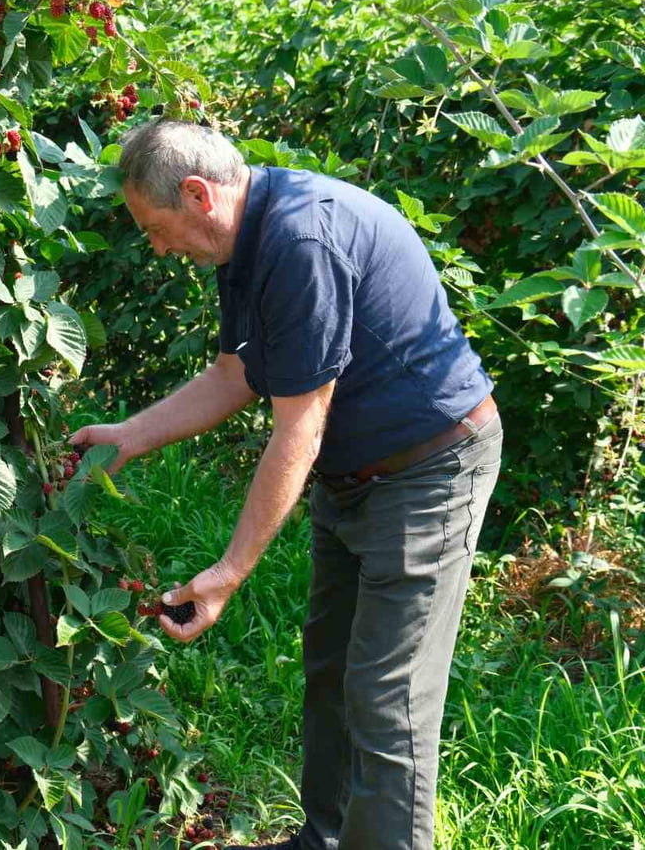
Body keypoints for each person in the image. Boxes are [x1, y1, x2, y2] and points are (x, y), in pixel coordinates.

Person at [70, 120, 502, 850]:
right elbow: (235, 374)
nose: (157, 245)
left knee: (387, 696)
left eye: (154, 226)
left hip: (428, 471)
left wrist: (229, 572)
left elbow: (299, 427)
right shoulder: (245, 245)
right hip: (354, 477)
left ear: (198, 194)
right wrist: (132, 435)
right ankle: (323, 839)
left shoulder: (301, 241)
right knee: (331, 669)